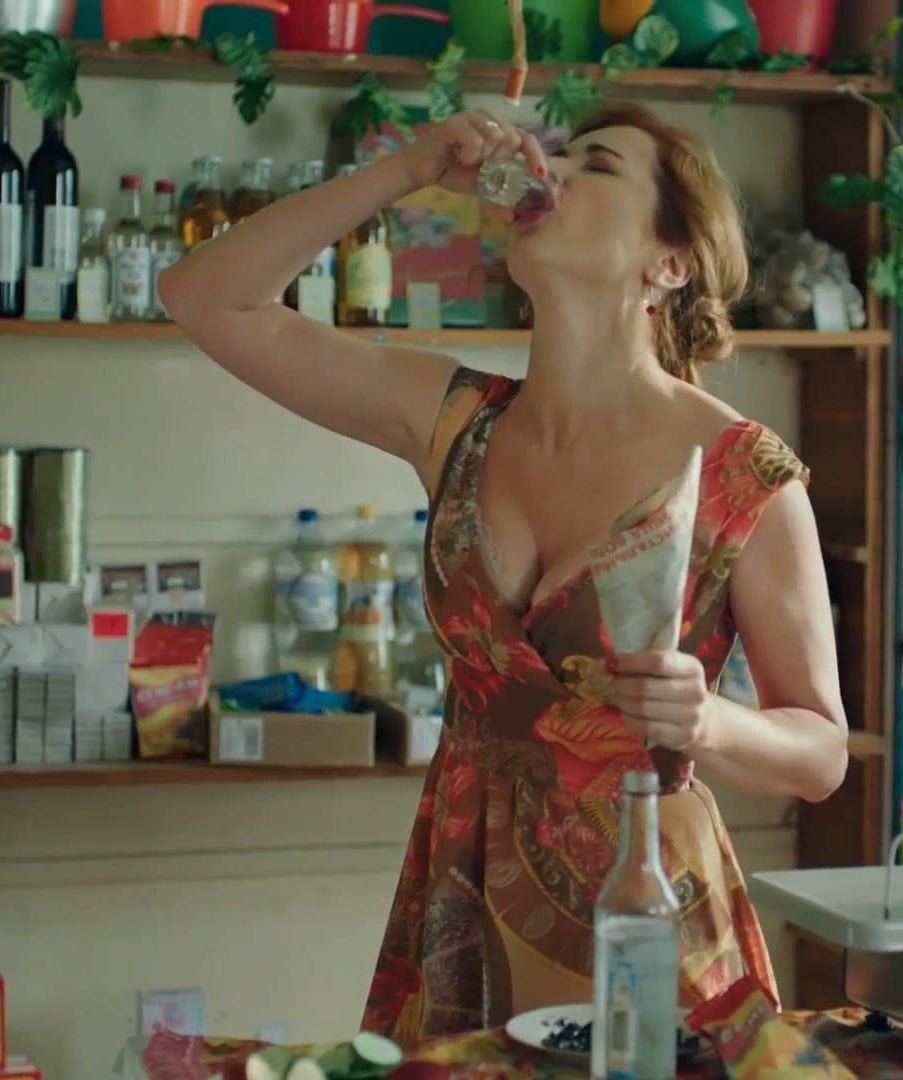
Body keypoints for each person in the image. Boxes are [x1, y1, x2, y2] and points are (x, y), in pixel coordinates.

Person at [157, 103, 850, 1041]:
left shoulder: (743, 473)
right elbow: (205, 297)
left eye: (596, 166)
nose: (549, 171)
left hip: (648, 909)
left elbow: (821, 755)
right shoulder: (453, 420)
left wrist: (709, 720)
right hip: (463, 891)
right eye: (555, 155)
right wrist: (409, 170)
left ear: (670, 262)